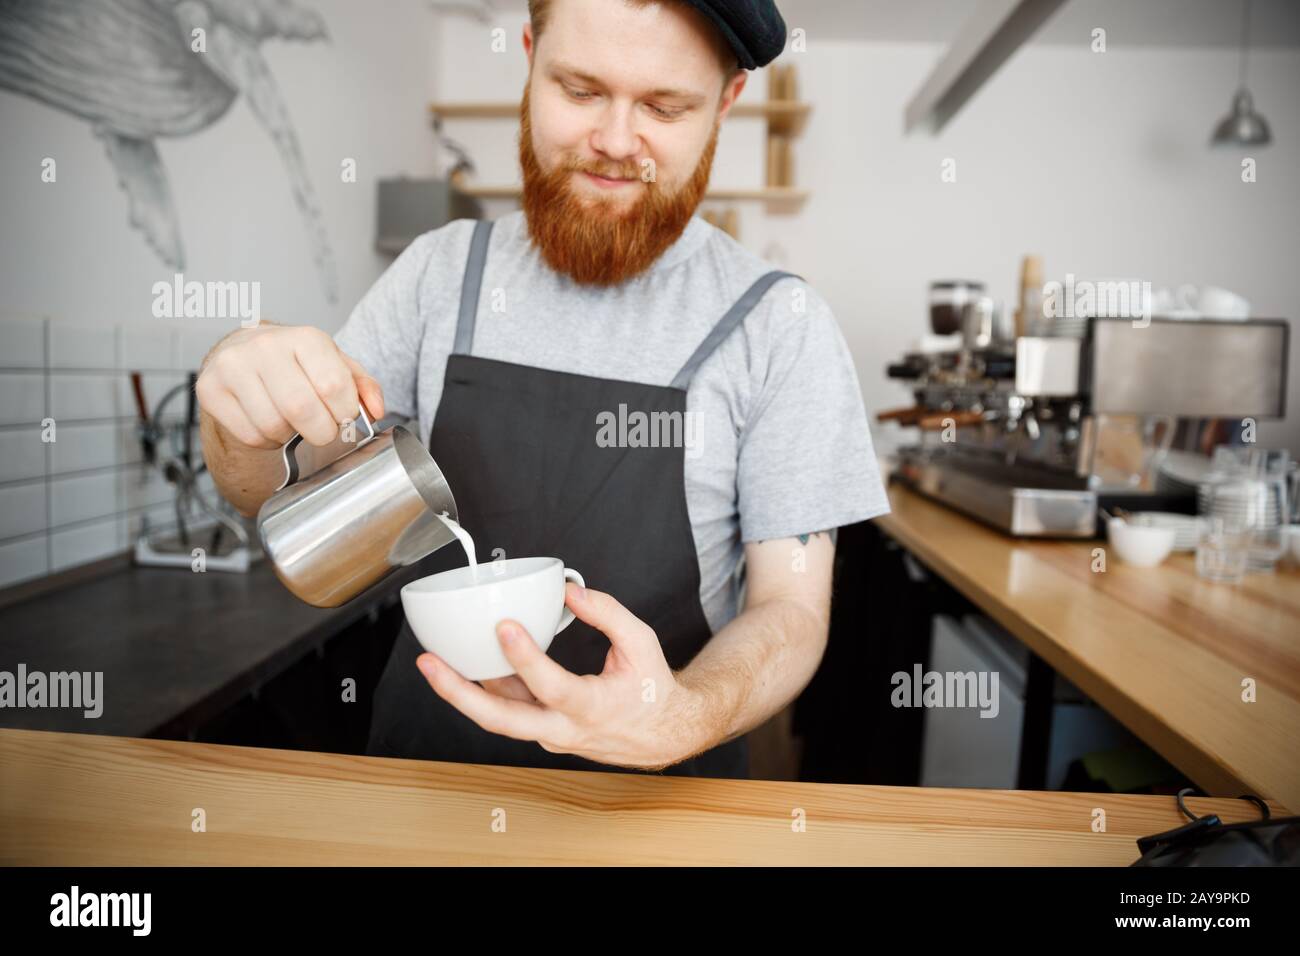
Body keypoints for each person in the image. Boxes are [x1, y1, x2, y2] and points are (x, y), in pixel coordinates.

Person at [196, 0, 888, 778]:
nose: (617, 141)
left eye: (664, 106)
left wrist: (684, 714)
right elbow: (278, 501)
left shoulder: (778, 324)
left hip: (657, 812)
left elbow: (790, 611)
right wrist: (234, 424)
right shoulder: (440, 275)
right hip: (425, 786)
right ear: (529, 58)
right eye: (582, 89)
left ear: (725, 104)